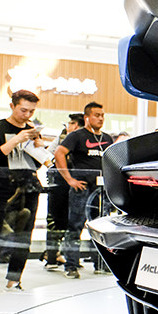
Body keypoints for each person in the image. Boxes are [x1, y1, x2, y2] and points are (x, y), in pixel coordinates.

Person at [0, 90, 48, 291]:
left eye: (31, 111)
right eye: (23, 110)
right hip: (0, 188)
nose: (27, 115)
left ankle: (15, 279)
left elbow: (36, 164)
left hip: (28, 187)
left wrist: (38, 147)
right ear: (12, 106)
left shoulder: (32, 129)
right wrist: (16, 139)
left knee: (24, 237)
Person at [55, 102, 113, 279]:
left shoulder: (107, 138)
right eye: (97, 115)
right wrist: (69, 179)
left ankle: (100, 263)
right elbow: (59, 153)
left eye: (102, 115)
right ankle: (71, 265)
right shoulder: (77, 136)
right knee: (75, 226)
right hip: (82, 189)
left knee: (100, 227)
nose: (100, 118)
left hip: (101, 191)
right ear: (87, 117)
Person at [42, 113, 83, 270]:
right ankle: (52, 257)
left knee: (73, 222)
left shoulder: (82, 138)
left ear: (77, 125)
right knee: (55, 219)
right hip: (59, 183)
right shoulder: (62, 137)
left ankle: (70, 258)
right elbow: (50, 153)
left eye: (71, 123)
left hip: (74, 183)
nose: (68, 125)